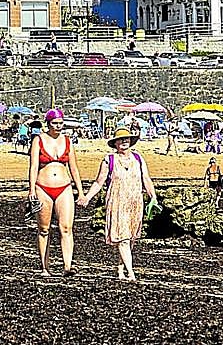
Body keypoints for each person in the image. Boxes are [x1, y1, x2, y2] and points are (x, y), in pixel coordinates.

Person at [79, 125, 158, 282]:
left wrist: (153, 197)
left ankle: (121, 269)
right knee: (123, 238)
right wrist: (87, 197)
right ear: (115, 143)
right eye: (120, 139)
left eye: (126, 139)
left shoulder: (138, 158)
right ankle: (131, 273)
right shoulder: (109, 160)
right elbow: (99, 182)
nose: (124, 141)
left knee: (131, 237)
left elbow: (146, 179)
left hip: (135, 202)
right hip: (117, 202)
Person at [27, 108, 84, 278]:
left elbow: (74, 168)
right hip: (42, 187)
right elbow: (33, 166)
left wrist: (80, 191)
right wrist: (31, 189)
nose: (58, 126)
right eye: (55, 123)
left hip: (64, 186)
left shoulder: (67, 140)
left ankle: (67, 265)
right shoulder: (38, 140)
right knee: (44, 229)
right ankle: (45, 267)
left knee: (66, 227)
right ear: (48, 123)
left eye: (60, 123)